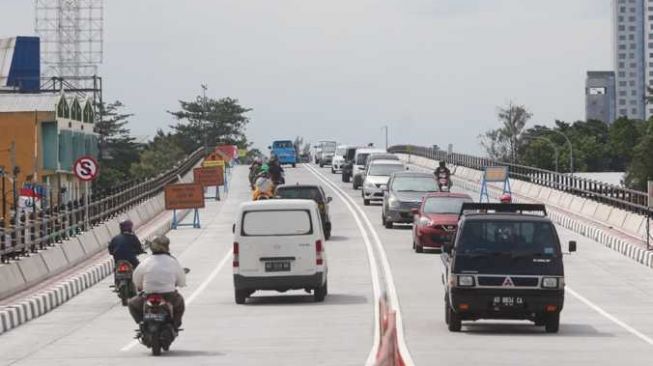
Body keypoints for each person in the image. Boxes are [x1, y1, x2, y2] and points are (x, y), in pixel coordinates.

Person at [128, 235, 186, 330]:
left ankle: (141, 323)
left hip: (148, 295)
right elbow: (182, 280)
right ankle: (175, 324)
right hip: (168, 295)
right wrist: (180, 283)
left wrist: (140, 286)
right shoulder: (172, 261)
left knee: (132, 304)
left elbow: (136, 278)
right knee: (180, 303)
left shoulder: (146, 262)